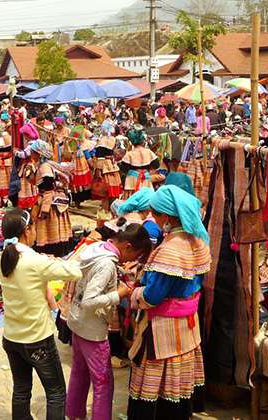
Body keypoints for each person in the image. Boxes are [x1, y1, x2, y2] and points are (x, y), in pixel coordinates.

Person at [128, 185, 210, 419]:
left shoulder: (171, 250)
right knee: (178, 375)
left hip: (163, 326)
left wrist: (135, 294)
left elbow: (154, 296)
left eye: (157, 214)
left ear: (167, 216)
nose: (154, 218)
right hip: (187, 323)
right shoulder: (197, 240)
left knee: (156, 379)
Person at [0, 209, 82, 420]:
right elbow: (75, 272)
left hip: (12, 337)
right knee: (56, 392)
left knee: (21, 390)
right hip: (37, 340)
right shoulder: (34, 261)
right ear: (27, 230)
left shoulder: (1, 258)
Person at [65, 223, 154, 420]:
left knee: (79, 371)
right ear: (128, 247)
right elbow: (90, 300)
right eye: (135, 256)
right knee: (103, 382)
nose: (133, 261)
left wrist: (121, 275)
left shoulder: (96, 248)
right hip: (92, 330)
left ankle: (74, 414)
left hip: (77, 321)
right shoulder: (106, 264)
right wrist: (118, 294)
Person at [34, 142, 73, 257]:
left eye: (32, 152)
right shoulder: (48, 165)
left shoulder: (45, 167)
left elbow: (48, 189)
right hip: (56, 201)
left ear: (39, 154)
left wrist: (44, 209)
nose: (31, 154)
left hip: (51, 203)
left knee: (49, 230)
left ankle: (52, 252)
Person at [121, 127, 159, 199]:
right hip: (145, 178)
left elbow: (123, 168)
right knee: (146, 197)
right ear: (142, 141)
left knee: (132, 198)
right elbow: (156, 164)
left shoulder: (129, 154)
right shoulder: (148, 152)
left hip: (132, 180)